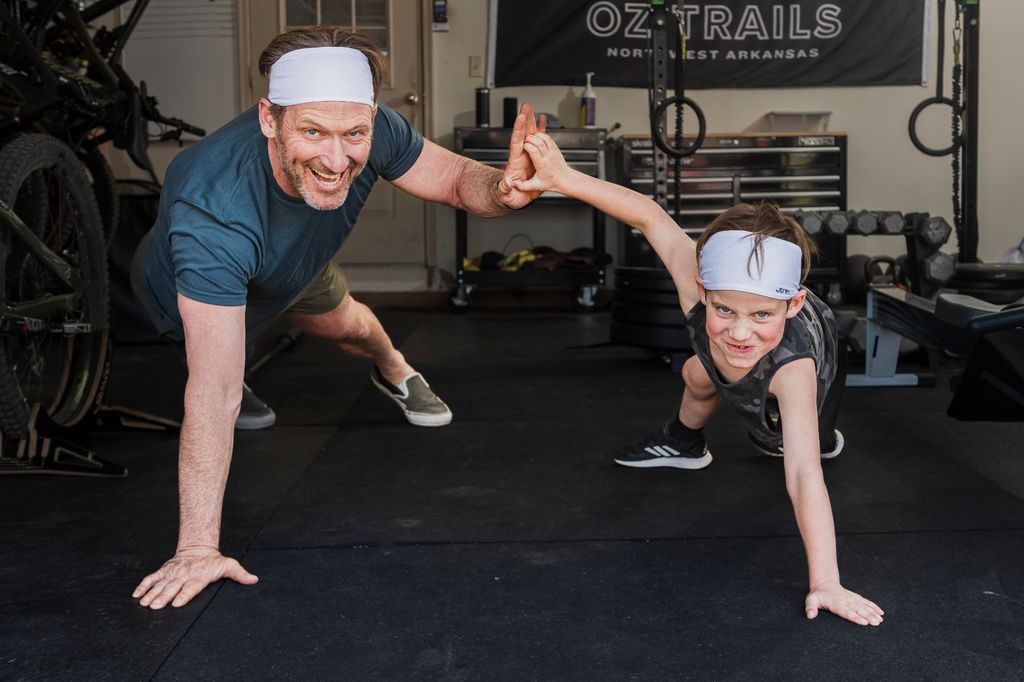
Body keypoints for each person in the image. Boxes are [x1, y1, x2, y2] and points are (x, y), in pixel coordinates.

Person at [130, 27, 547, 610]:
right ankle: (237, 359)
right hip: (193, 283)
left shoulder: (368, 127)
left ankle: (395, 368)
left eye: (354, 134)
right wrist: (198, 549)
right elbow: (211, 392)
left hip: (296, 263)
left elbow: (455, 179)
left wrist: (502, 190)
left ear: (371, 120)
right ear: (269, 120)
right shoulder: (212, 214)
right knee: (217, 371)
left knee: (351, 326)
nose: (335, 158)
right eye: (312, 133)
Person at [515, 133, 884, 627]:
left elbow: (802, 477)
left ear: (791, 305)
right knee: (698, 368)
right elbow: (648, 214)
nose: (738, 330)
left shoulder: (794, 370)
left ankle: (824, 435)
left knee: (790, 444)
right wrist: (563, 180)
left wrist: (826, 582)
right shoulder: (697, 278)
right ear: (703, 288)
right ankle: (685, 442)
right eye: (723, 308)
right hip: (739, 356)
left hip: (816, 363)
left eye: (760, 314)